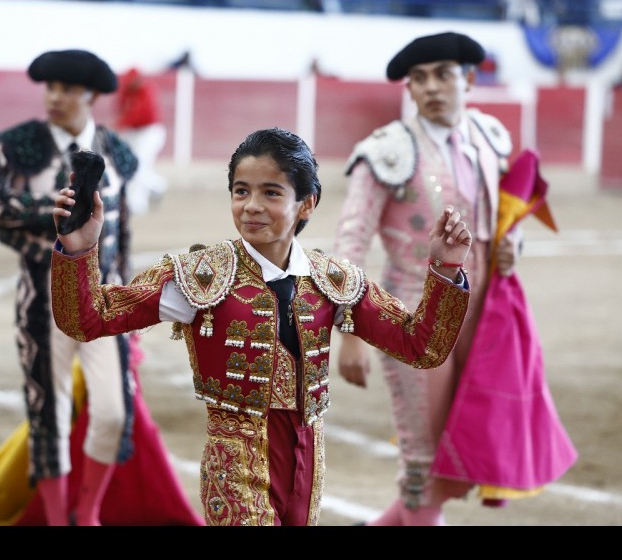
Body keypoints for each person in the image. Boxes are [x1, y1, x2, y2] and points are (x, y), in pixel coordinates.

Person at [48, 126, 473, 526]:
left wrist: (446, 270)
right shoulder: (199, 276)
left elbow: (422, 347)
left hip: (308, 466)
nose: (251, 205)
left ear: (307, 203)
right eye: (241, 191)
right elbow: (87, 320)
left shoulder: (333, 280)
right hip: (235, 464)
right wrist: (79, 252)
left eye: (270, 192)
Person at [332, 31, 574, 526]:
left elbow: (503, 220)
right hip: (412, 318)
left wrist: (513, 246)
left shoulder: (490, 137)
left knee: (461, 447)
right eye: (419, 79)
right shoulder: (386, 151)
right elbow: (350, 241)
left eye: (443, 75)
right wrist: (349, 330)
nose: (431, 87)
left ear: (468, 79)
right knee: (422, 456)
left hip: (483, 318)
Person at [0, 49, 192, 526]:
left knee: (112, 412)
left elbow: (122, 236)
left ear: (90, 95)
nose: (55, 97)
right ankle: (56, 519)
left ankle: (86, 515)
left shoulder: (118, 152)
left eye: (67, 89)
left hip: (103, 299)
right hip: (41, 299)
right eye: (50, 88)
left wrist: (130, 308)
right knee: (48, 412)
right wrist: (46, 208)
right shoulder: (18, 144)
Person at [115, 67, 168, 215]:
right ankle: (157, 187)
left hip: (149, 132)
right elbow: (121, 108)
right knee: (134, 165)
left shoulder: (147, 91)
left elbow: (143, 114)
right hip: (133, 132)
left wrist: (121, 123)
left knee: (139, 165)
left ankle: (138, 203)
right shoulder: (127, 92)